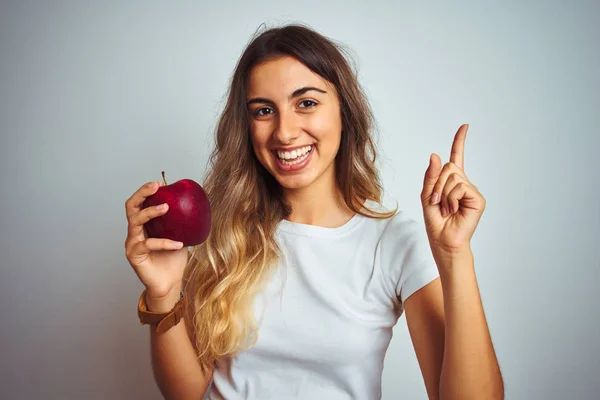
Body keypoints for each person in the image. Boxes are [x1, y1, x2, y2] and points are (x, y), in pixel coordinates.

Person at [124, 24, 504, 399]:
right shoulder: (222, 230)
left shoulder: (392, 242)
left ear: (344, 110)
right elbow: (189, 393)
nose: (285, 132)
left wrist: (455, 255)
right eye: (263, 110)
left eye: (306, 103)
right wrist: (163, 293)